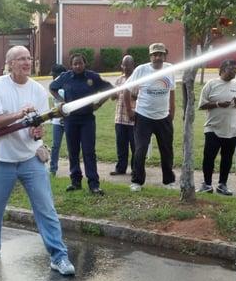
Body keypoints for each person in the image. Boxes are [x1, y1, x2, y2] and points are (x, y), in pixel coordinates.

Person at [0, 46, 75, 276]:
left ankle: (59, 256)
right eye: (21, 59)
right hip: (2, 158)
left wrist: (36, 132)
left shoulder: (38, 89)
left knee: (46, 208)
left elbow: (39, 127)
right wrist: (19, 114)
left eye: (29, 58)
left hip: (30, 158)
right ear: (9, 63)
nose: (27, 62)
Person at [49, 53, 112, 195]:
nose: (77, 66)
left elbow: (109, 88)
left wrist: (99, 103)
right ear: (71, 65)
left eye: (80, 63)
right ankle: (75, 182)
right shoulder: (65, 76)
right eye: (75, 64)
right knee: (73, 151)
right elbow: (52, 87)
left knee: (89, 151)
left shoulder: (93, 77)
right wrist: (60, 100)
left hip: (87, 120)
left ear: (85, 63)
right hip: (70, 120)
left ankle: (94, 184)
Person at [124, 43, 176, 192]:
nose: (157, 57)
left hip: (163, 117)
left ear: (165, 55)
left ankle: (169, 181)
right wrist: (129, 110)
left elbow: (172, 90)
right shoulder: (142, 70)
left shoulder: (169, 69)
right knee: (140, 150)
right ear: (150, 56)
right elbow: (126, 90)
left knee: (166, 151)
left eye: (160, 54)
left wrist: (172, 111)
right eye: (154, 54)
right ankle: (137, 182)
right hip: (144, 117)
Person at [197, 59, 236, 196]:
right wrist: (218, 104)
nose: (234, 73)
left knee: (227, 157)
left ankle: (222, 184)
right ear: (223, 69)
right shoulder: (211, 84)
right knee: (209, 156)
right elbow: (201, 105)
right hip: (213, 127)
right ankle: (207, 184)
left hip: (233, 129)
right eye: (232, 69)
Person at [110, 55, 136, 176]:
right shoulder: (119, 80)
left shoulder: (137, 80)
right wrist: (113, 94)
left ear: (133, 66)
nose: (125, 67)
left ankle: (136, 169)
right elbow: (113, 97)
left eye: (128, 65)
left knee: (135, 146)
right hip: (119, 118)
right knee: (121, 146)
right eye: (123, 65)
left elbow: (138, 97)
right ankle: (120, 168)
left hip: (132, 119)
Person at [49, 63, 67, 176]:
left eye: (54, 75)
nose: (52, 77)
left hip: (68, 121)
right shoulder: (55, 86)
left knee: (70, 145)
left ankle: (53, 169)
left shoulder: (66, 87)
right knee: (55, 145)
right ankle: (53, 169)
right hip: (57, 121)